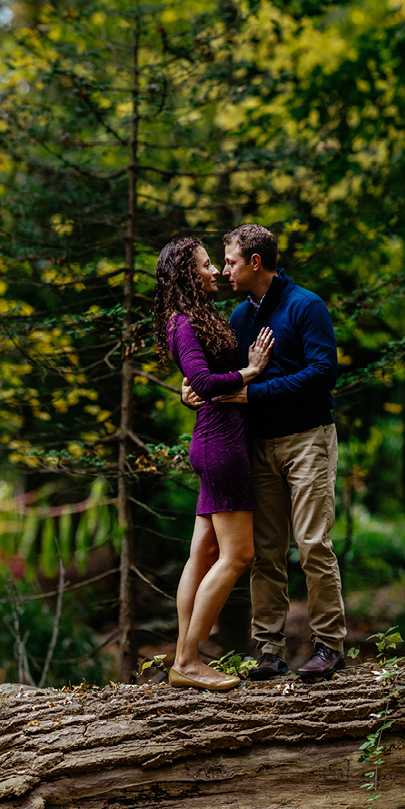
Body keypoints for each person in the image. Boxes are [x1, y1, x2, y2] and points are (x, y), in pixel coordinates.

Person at [183, 224, 346, 681]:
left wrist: (256, 395)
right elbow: (227, 377)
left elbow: (323, 374)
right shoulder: (238, 318)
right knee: (268, 553)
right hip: (258, 445)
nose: (225, 269)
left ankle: (329, 646)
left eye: (231, 261)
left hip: (308, 438)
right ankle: (269, 652)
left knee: (313, 543)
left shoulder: (306, 306)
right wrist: (192, 390)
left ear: (255, 262)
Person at [153, 235, 274, 691]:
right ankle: (187, 660)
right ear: (188, 273)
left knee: (202, 553)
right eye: (207, 265)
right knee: (238, 553)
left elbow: (198, 383)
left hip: (217, 440)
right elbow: (202, 382)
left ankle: (185, 654)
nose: (216, 272)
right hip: (220, 444)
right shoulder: (183, 322)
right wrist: (250, 371)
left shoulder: (198, 317)